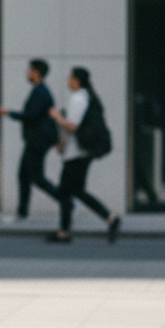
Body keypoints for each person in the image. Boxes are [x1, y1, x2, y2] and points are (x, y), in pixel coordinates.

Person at [47, 67, 120, 243]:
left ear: (77, 81)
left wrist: (56, 116)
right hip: (80, 153)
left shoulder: (79, 98)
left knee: (69, 191)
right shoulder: (86, 97)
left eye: (70, 78)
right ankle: (67, 231)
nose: (68, 82)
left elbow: (72, 125)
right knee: (70, 191)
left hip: (76, 154)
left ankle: (107, 218)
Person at [0, 59, 60, 219]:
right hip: (35, 141)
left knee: (36, 178)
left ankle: (66, 200)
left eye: (30, 70)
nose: (27, 73)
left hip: (37, 141)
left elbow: (31, 116)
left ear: (36, 73)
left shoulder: (41, 92)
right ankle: (22, 212)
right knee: (24, 176)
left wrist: (8, 113)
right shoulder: (40, 91)